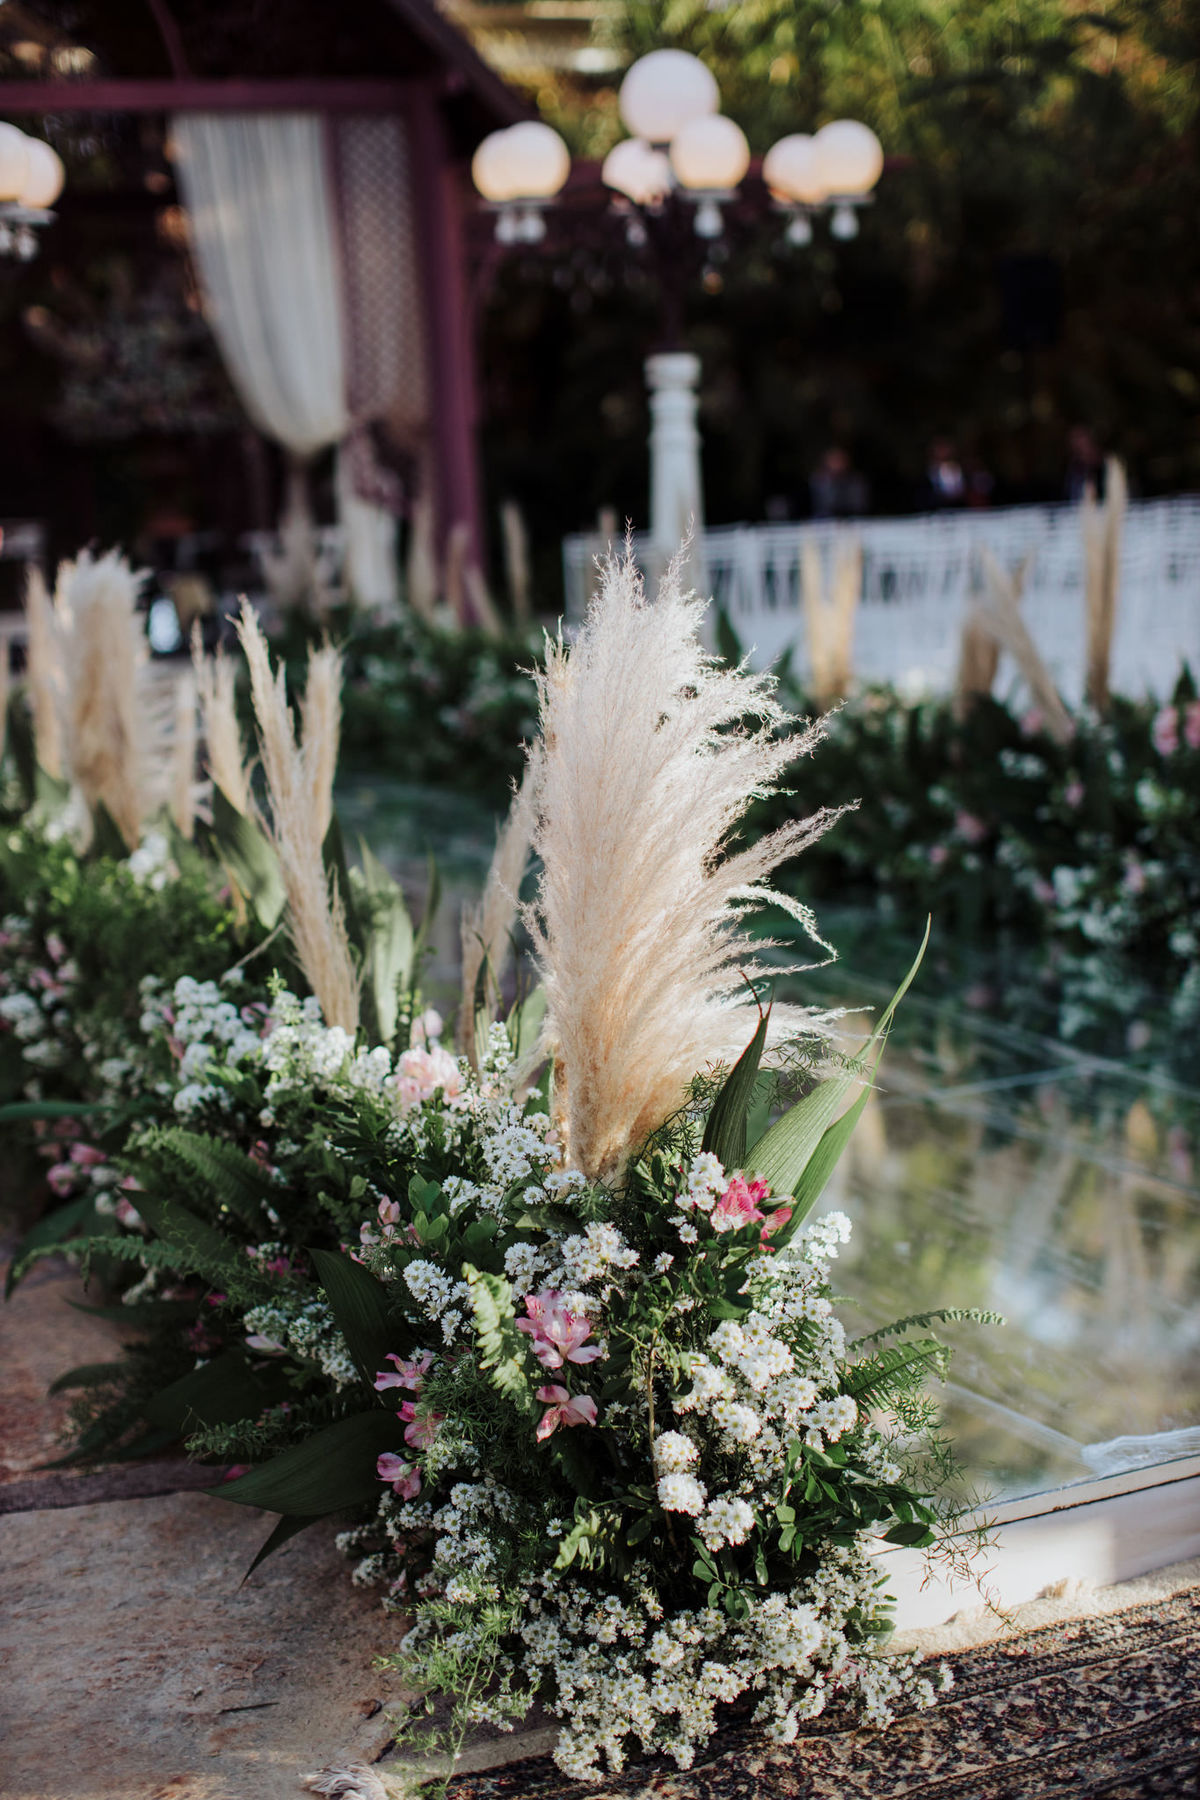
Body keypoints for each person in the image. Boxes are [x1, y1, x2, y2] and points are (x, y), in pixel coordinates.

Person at [809, 446, 869, 519]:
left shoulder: (857, 480)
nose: (837, 464)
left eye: (840, 460)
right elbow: (822, 505)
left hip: (853, 518)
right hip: (824, 518)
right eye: (834, 460)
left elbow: (860, 505)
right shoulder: (819, 480)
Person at [919, 437, 967, 508]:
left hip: (957, 505)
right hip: (936, 506)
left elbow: (960, 490)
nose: (943, 451)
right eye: (939, 448)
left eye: (944, 448)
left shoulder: (956, 467)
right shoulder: (930, 470)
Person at [1064, 424, 1106, 501]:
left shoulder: (1105, 465)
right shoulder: (1073, 467)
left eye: (1079, 437)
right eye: (1073, 438)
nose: (1076, 442)